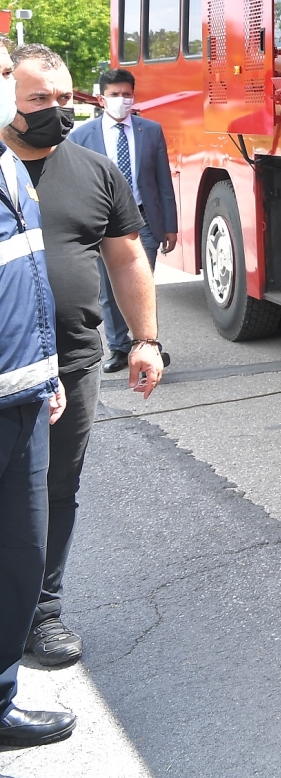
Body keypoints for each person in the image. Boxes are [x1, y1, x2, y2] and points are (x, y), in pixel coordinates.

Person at [4, 47, 161, 672]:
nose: (55, 110)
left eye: (63, 98)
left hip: (73, 363)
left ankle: (42, 609)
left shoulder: (96, 170)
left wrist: (145, 339)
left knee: (56, 491)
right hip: (6, 369)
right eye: (38, 99)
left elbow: (126, 258)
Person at [0, 41, 74, 750]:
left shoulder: (12, 173)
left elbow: (26, 283)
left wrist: (47, 371)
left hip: (23, 402)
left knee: (21, 561)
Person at [72, 68, 177, 375]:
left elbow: (162, 181)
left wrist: (169, 225)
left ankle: (145, 344)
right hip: (103, 222)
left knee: (141, 284)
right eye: (115, 95)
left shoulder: (151, 130)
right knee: (108, 287)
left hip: (143, 219)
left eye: (126, 94)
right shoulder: (82, 136)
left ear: (134, 96)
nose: (121, 100)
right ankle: (118, 347)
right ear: (101, 98)